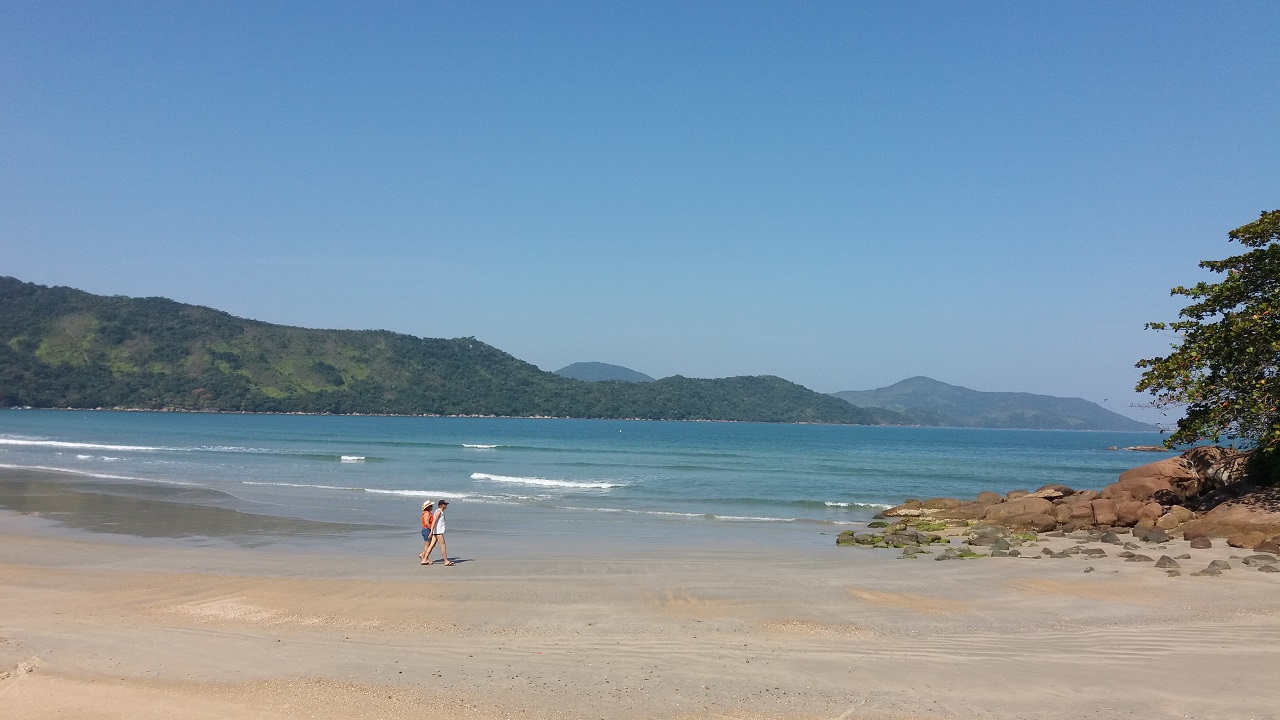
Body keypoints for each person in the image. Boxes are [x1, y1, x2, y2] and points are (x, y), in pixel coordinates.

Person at [422, 500, 454, 566]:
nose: (446, 505)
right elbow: (434, 522)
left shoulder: (439, 511)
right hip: (438, 532)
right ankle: (446, 561)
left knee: (431, 546)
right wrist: (431, 532)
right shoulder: (439, 512)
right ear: (442, 505)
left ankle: (424, 559)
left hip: (436, 532)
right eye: (445, 504)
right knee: (443, 545)